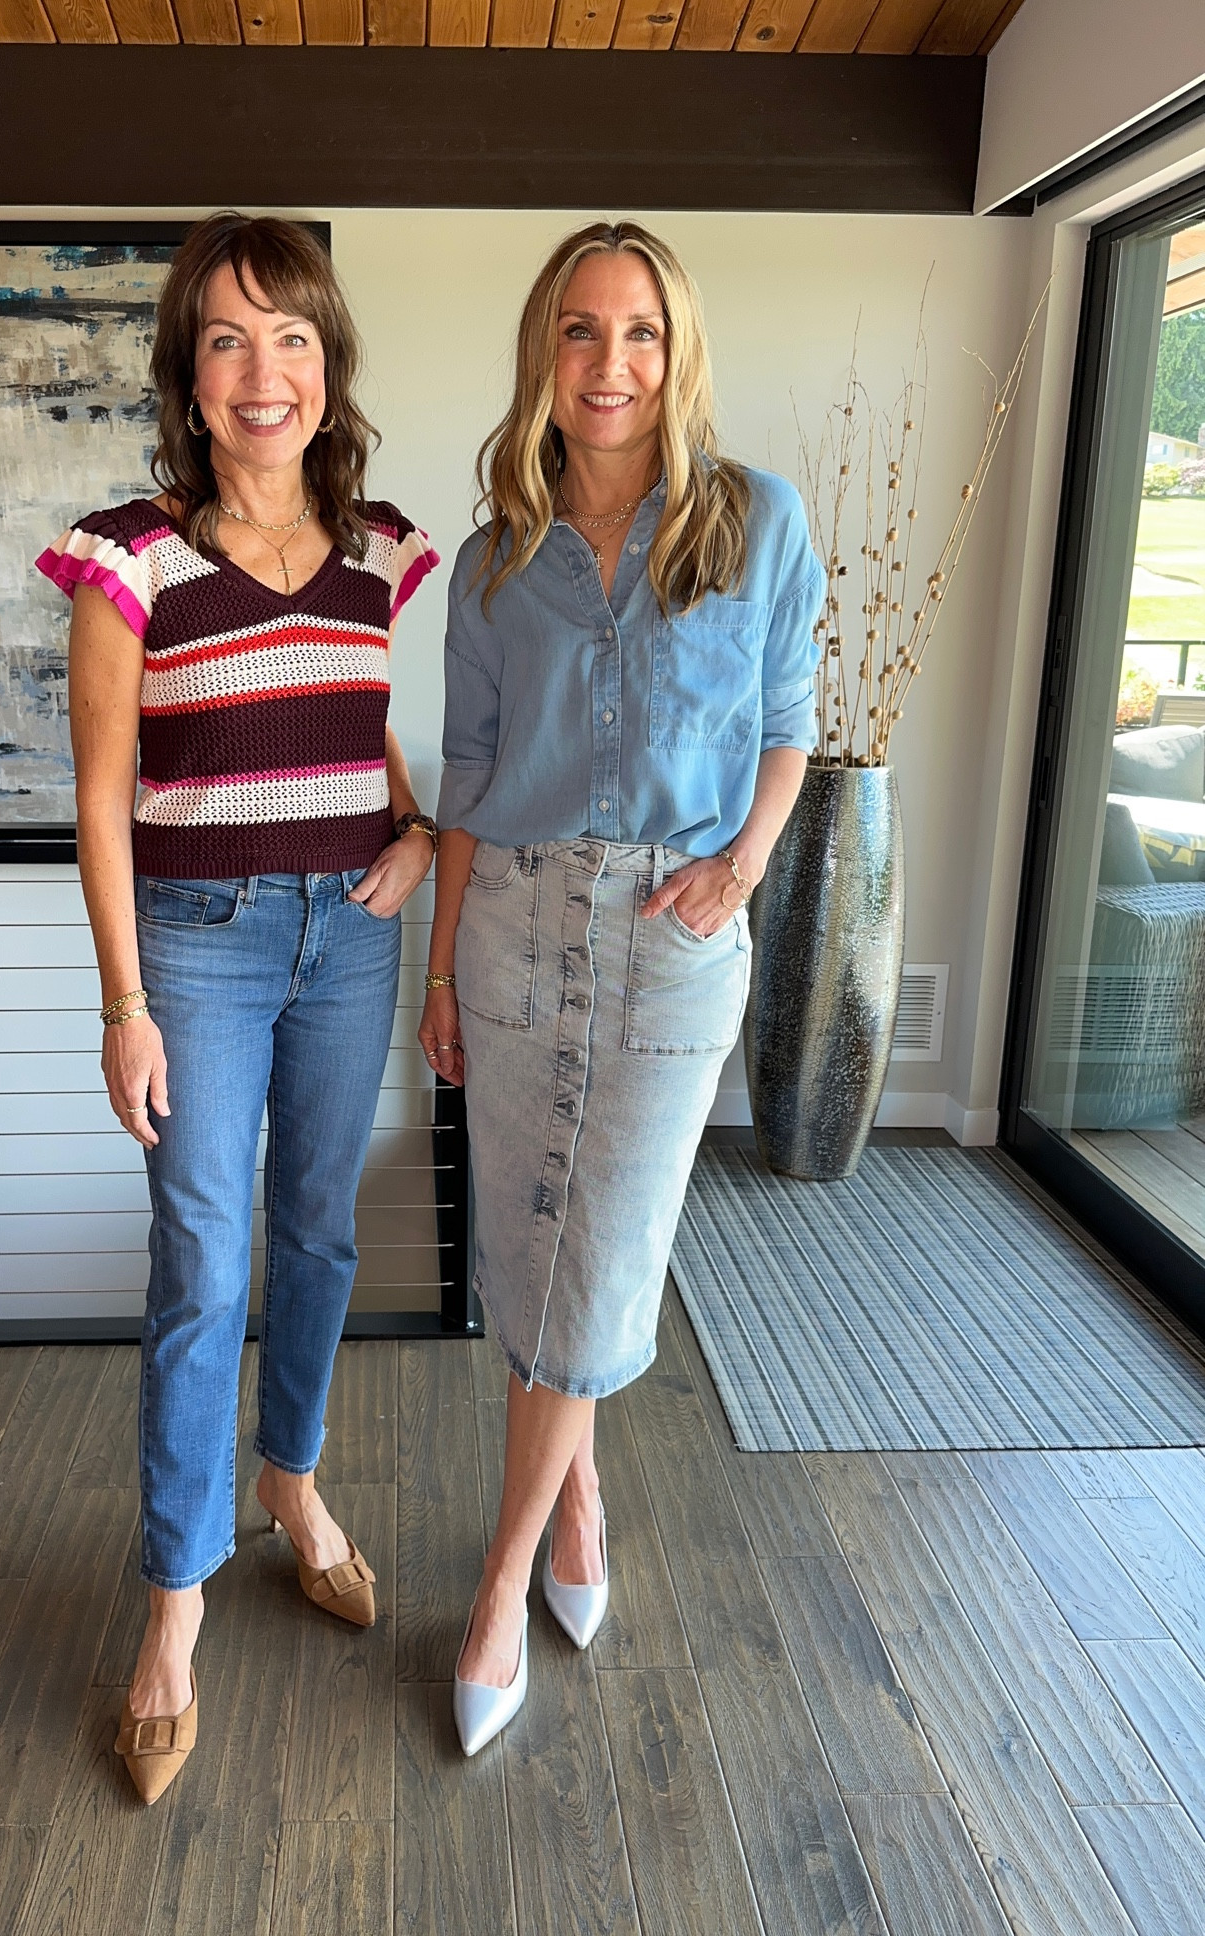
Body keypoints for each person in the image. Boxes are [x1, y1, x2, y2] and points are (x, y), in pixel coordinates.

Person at [38, 213, 439, 1803]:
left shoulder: (387, 553)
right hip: (194, 948)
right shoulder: (129, 558)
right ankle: (173, 1607)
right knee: (203, 1266)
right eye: (226, 339)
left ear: (327, 367)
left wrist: (416, 836)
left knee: (321, 1235)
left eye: (290, 338)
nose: (261, 372)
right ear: (191, 381)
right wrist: (122, 1003)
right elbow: (97, 791)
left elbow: (390, 729)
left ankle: (291, 1484)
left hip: (348, 935)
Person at [418, 221, 823, 1755]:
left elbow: (790, 720)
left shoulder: (754, 521)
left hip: (669, 932)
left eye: (641, 333)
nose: (611, 364)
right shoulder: (494, 559)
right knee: (535, 1241)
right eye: (582, 333)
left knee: (601, 1248)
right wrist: (441, 977)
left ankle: (502, 1570)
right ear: (546, 351)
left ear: (679, 349)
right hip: (513, 925)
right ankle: (580, 1493)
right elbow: (464, 778)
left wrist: (744, 868)